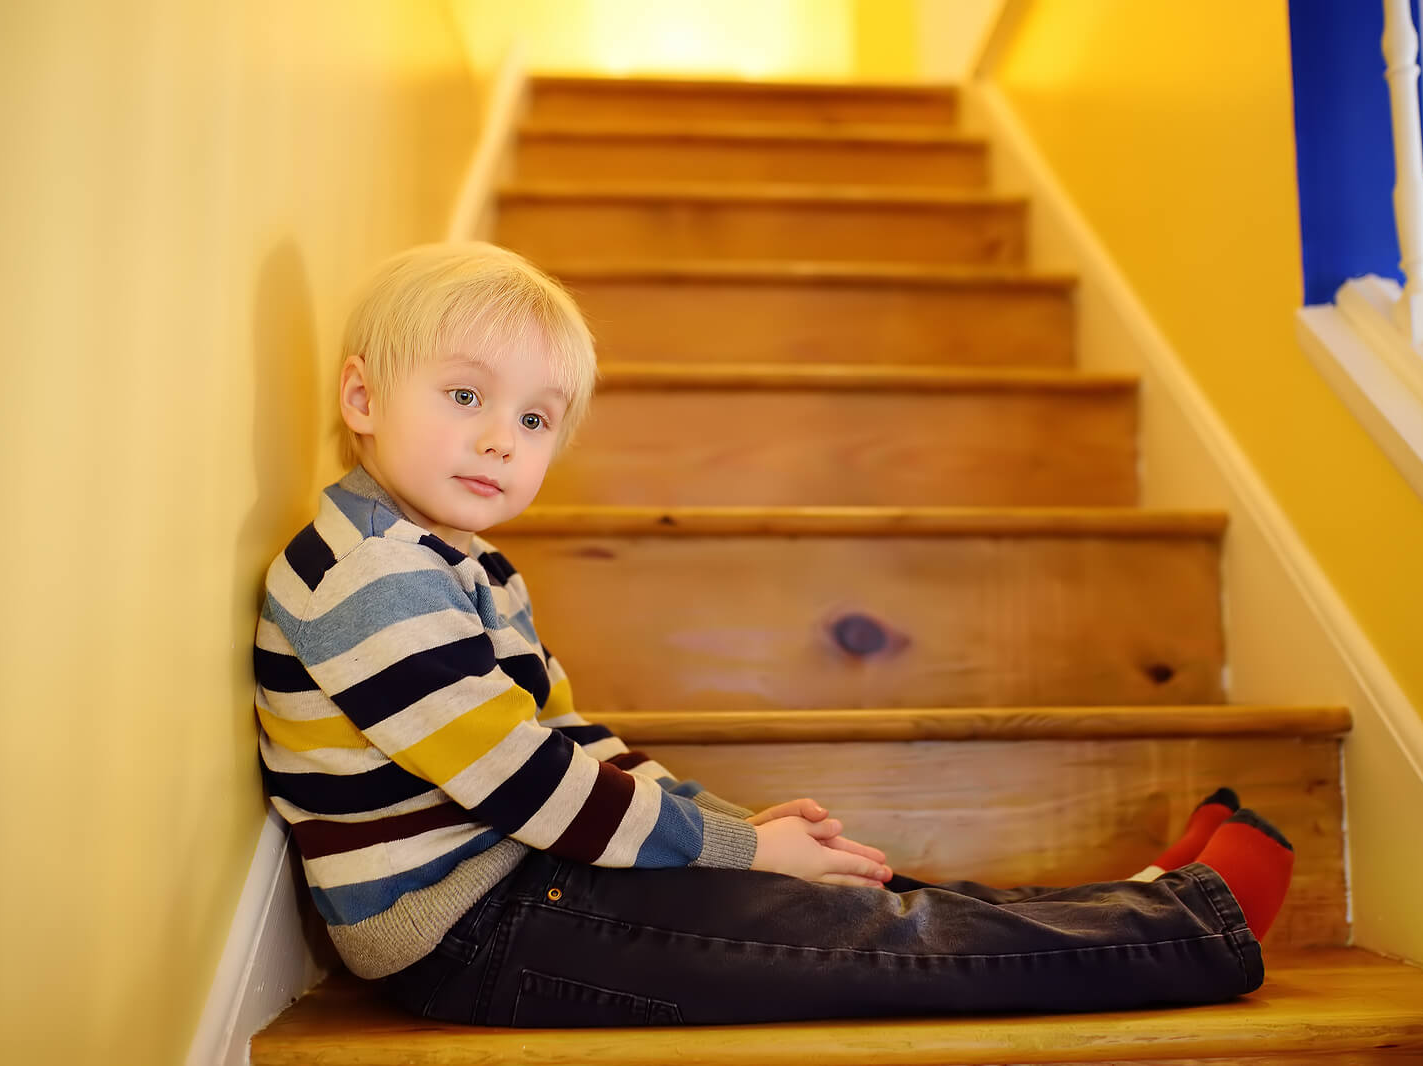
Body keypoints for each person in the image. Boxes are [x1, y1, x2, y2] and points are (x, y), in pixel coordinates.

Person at [254, 241, 1295, 1028]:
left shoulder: (459, 562)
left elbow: (572, 744)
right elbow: (524, 782)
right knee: (852, 944)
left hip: (530, 880)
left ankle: (1132, 904)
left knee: (840, 887)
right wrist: (749, 850)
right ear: (361, 396)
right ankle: (1187, 927)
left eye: (535, 419)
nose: (499, 437)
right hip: (471, 932)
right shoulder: (368, 575)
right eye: (467, 395)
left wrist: (731, 825)